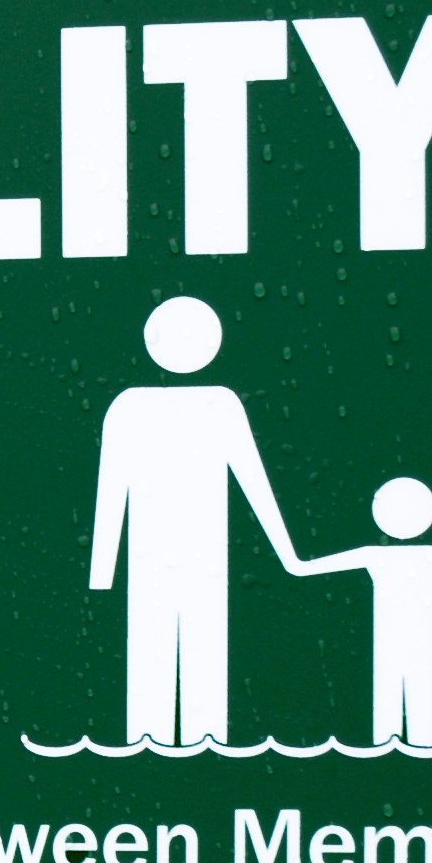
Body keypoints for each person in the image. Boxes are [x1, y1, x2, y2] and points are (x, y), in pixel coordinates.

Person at [88, 298, 299, 747]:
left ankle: (185, 750)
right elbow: (112, 489)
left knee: (194, 668)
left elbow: (253, 482)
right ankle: (165, 749)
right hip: (159, 558)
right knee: (159, 666)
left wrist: (288, 556)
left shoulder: (212, 405)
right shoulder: (138, 407)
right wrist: (101, 573)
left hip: (203, 558)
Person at [301, 478, 432, 749]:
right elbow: (307, 567)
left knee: (415, 714)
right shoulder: (389, 556)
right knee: (390, 716)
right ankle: (396, 752)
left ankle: (409, 751)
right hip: (389, 643)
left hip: (418, 645)